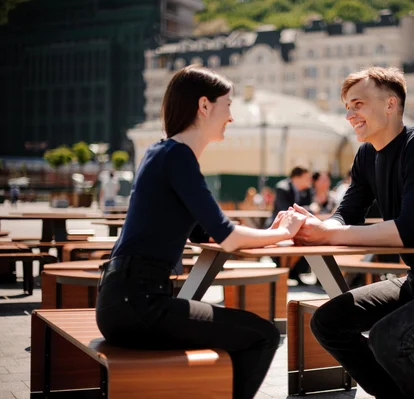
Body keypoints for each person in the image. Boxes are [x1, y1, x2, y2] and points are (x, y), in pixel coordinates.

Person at [95, 66, 307, 399]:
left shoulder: (159, 152)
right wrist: (282, 232)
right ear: (204, 106)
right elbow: (228, 238)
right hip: (140, 305)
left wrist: (266, 232)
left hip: (120, 300)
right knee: (263, 334)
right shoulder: (178, 157)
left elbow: (202, 234)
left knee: (245, 332)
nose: (231, 117)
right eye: (228, 105)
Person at [291, 67, 414, 399]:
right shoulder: (367, 154)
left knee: (388, 338)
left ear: (390, 104)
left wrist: (328, 233)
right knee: (328, 322)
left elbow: (411, 230)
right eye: (348, 106)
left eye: (358, 104)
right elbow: (348, 212)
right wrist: (322, 226)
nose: (349, 114)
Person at [268, 166, 313, 285]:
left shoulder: (307, 190)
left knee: (310, 239)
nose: (309, 180)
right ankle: (283, 271)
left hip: (298, 225)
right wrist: (309, 209)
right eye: (306, 177)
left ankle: (294, 272)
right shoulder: (282, 188)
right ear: (297, 177)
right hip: (279, 225)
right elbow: (285, 210)